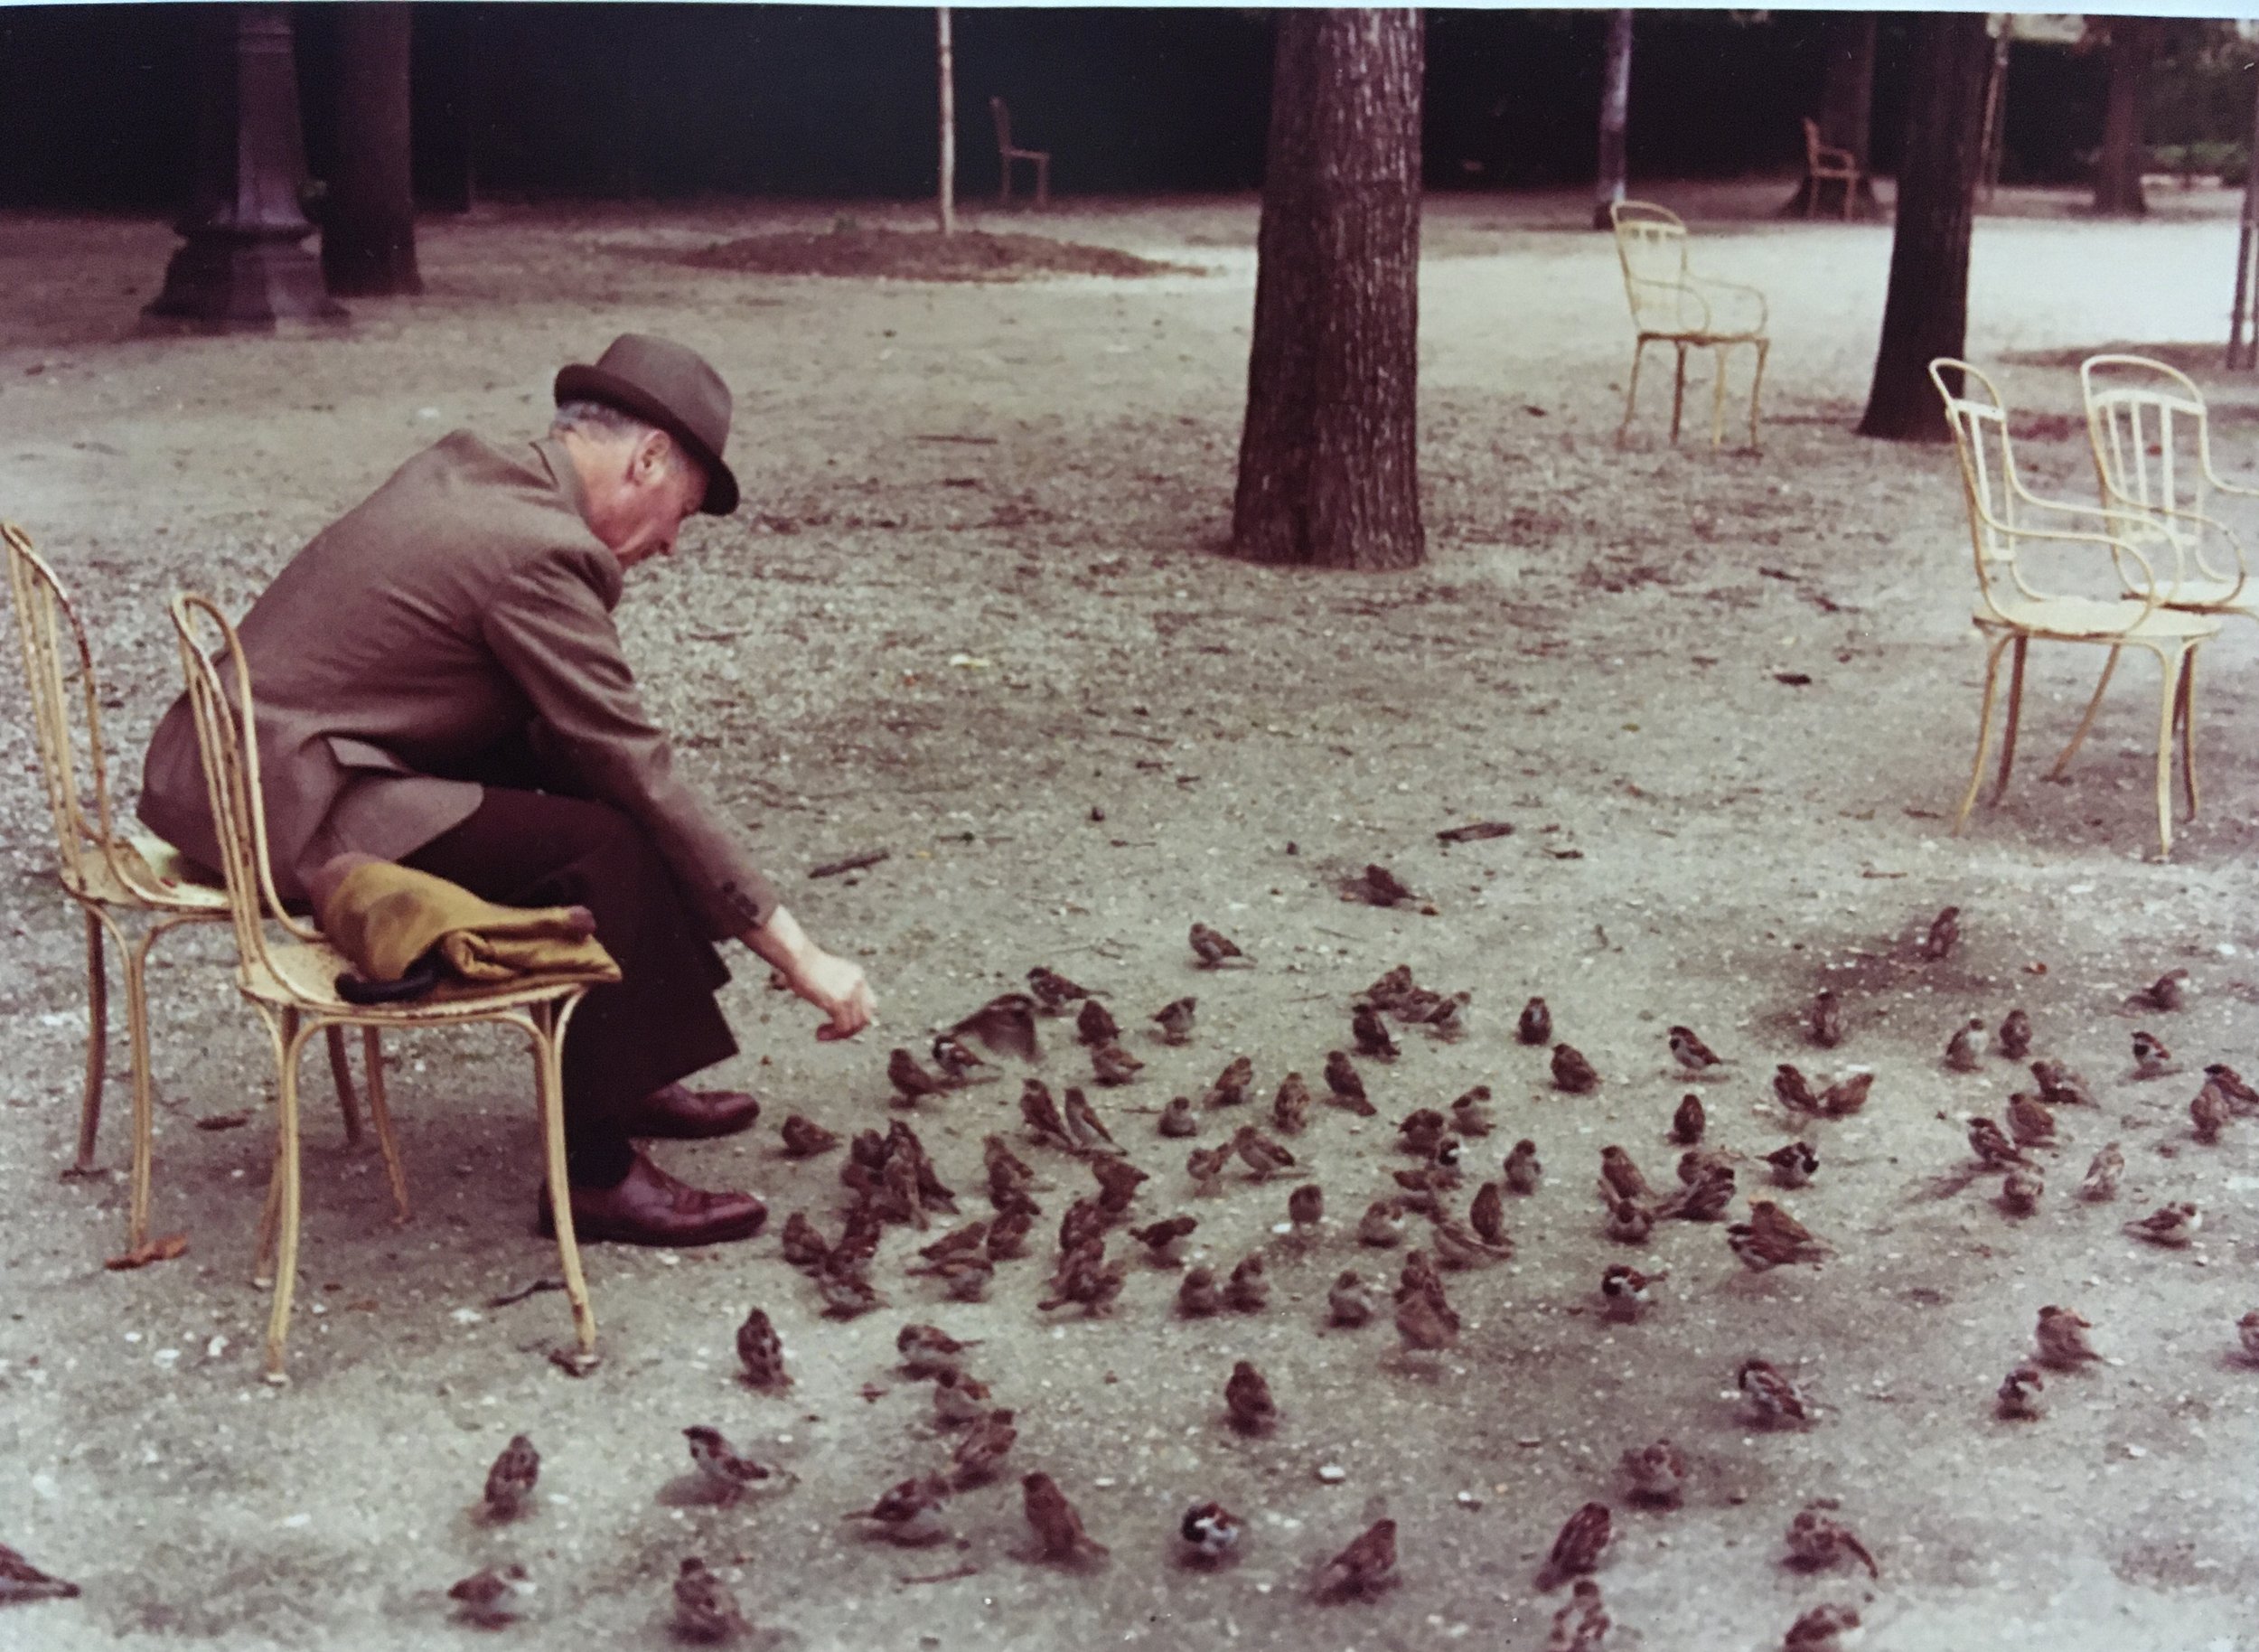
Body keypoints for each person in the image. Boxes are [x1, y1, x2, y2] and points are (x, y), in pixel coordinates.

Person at [139, 333, 874, 1247]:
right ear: (645, 459)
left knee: (583, 786)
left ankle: (630, 1067)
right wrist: (796, 951)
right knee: (602, 839)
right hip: (279, 798)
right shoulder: (537, 549)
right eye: (679, 512)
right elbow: (637, 762)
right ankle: (598, 1178)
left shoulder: (478, 470)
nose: (673, 546)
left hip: (237, 758)